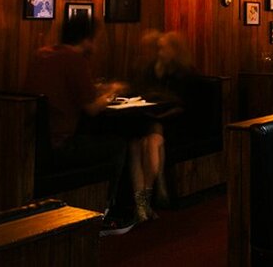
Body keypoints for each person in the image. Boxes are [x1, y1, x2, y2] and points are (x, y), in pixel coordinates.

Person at [23, 16, 131, 235]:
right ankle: (107, 213)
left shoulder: (43, 54)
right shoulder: (74, 59)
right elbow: (92, 107)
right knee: (119, 145)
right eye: (95, 40)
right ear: (87, 39)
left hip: (32, 144)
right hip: (60, 145)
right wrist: (113, 92)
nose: (96, 45)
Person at [134, 30, 198, 220]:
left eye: (162, 48)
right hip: (155, 119)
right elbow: (141, 91)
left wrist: (161, 113)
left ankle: (145, 200)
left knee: (150, 141)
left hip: (178, 123)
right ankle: (157, 185)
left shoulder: (186, 73)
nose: (159, 52)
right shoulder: (153, 69)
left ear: (174, 50)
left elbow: (186, 107)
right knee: (144, 142)